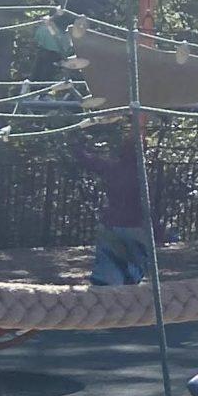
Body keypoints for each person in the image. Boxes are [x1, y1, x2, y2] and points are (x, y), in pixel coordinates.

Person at [71, 117, 153, 287]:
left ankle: (106, 293)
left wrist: (74, 139)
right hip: (134, 227)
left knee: (109, 272)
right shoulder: (142, 175)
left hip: (113, 224)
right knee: (132, 273)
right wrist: (141, 122)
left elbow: (86, 159)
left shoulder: (112, 168)